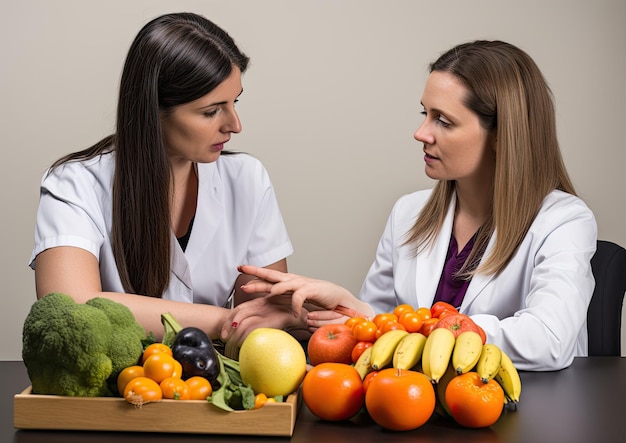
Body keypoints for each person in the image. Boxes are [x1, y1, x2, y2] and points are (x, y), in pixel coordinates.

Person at [237, 40, 597, 371]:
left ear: (503, 135)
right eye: (424, 114)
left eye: (444, 120)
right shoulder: (407, 213)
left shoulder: (563, 221)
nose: (422, 133)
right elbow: (379, 332)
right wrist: (341, 308)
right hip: (411, 410)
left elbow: (549, 340)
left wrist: (414, 329)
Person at [29, 12, 310, 347]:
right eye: (211, 111)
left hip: (212, 387)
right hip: (119, 393)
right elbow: (73, 308)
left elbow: (263, 319)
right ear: (153, 110)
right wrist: (224, 320)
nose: (235, 125)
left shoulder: (247, 179)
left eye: (235, 103)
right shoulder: (75, 184)